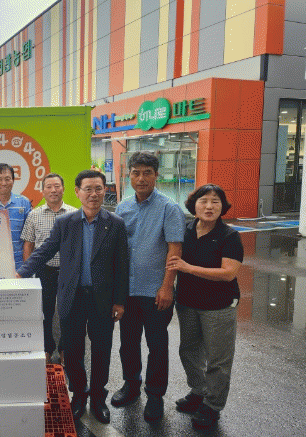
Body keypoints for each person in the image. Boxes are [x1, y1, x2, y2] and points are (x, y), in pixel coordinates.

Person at [18, 169, 129, 425]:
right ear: (78, 192)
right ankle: (79, 394)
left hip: (103, 300)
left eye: (98, 189)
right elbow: (45, 250)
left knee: (101, 351)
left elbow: (123, 264)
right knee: (74, 350)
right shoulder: (65, 223)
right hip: (72, 297)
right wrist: (21, 272)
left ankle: (98, 398)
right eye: (88, 189)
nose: (93, 194)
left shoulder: (115, 223)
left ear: (105, 191)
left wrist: (120, 301)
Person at [111, 151, 186, 422]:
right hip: (128, 291)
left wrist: (167, 287)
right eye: (136, 173)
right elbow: (117, 250)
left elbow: (174, 251)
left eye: (147, 173)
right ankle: (131, 384)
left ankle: (155, 395)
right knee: (128, 342)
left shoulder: (169, 208)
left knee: (157, 345)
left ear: (156, 175)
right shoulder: (123, 207)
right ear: (129, 175)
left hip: (156, 291)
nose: (141, 178)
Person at [167, 184, 243, 431]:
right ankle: (198, 391)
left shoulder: (229, 236)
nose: (209, 206)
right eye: (204, 201)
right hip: (187, 303)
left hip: (218, 306)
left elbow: (228, 273)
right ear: (194, 205)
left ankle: (212, 406)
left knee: (218, 359)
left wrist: (188, 268)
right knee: (188, 351)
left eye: (215, 201)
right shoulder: (186, 230)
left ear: (223, 207)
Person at [21, 173, 78, 365]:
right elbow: (29, 245)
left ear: (63, 189)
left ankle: (64, 348)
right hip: (44, 271)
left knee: (68, 312)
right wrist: (28, 272)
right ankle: (46, 348)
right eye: (49, 187)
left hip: (68, 272)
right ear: (42, 191)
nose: (53, 190)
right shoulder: (34, 215)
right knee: (44, 312)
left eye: (57, 186)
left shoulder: (74, 214)